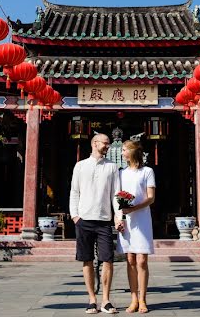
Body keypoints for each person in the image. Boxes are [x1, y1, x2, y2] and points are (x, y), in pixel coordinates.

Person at [70, 133, 121, 314]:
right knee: (87, 260)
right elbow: (74, 192)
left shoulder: (112, 167)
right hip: (84, 219)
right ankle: (92, 299)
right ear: (95, 144)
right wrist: (75, 215)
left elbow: (117, 194)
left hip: (104, 220)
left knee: (107, 259)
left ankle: (106, 300)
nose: (108, 146)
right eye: (105, 143)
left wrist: (118, 215)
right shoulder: (80, 166)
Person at [115, 140, 156, 314]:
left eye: (124, 150)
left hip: (142, 219)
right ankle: (133, 298)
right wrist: (118, 218)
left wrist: (133, 208)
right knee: (130, 259)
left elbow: (151, 198)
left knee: (141, 260)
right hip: (126, 220)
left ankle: (143, 299)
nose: (122, 152)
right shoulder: (120, 174)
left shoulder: (147, 171)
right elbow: (115, 198)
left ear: (132, 152)